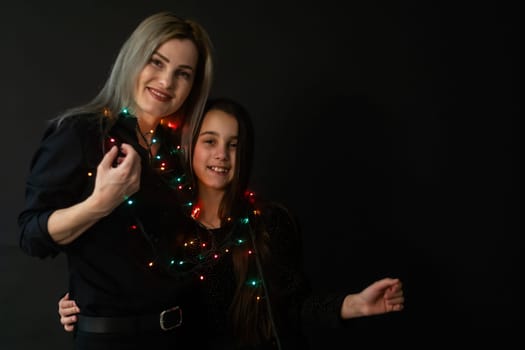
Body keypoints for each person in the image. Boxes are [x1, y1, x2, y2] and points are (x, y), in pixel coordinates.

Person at [57, 97, 405, 349]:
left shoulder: (267, 224)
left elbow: (293, 306)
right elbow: (125, 289)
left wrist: (354, 304)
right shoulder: (163, 225)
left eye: (233, 145)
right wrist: (80, 304)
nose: (222, 154)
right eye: (210, 142)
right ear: (190, 147)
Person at [18, 11, 214, 349]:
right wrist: (101, 203)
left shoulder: (178, 151)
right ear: (133, 59)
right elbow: (30, 234)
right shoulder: (81, 133)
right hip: (112, 341)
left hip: (181, 336)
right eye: (157, 62)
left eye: (182, 74)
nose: (167, 81)